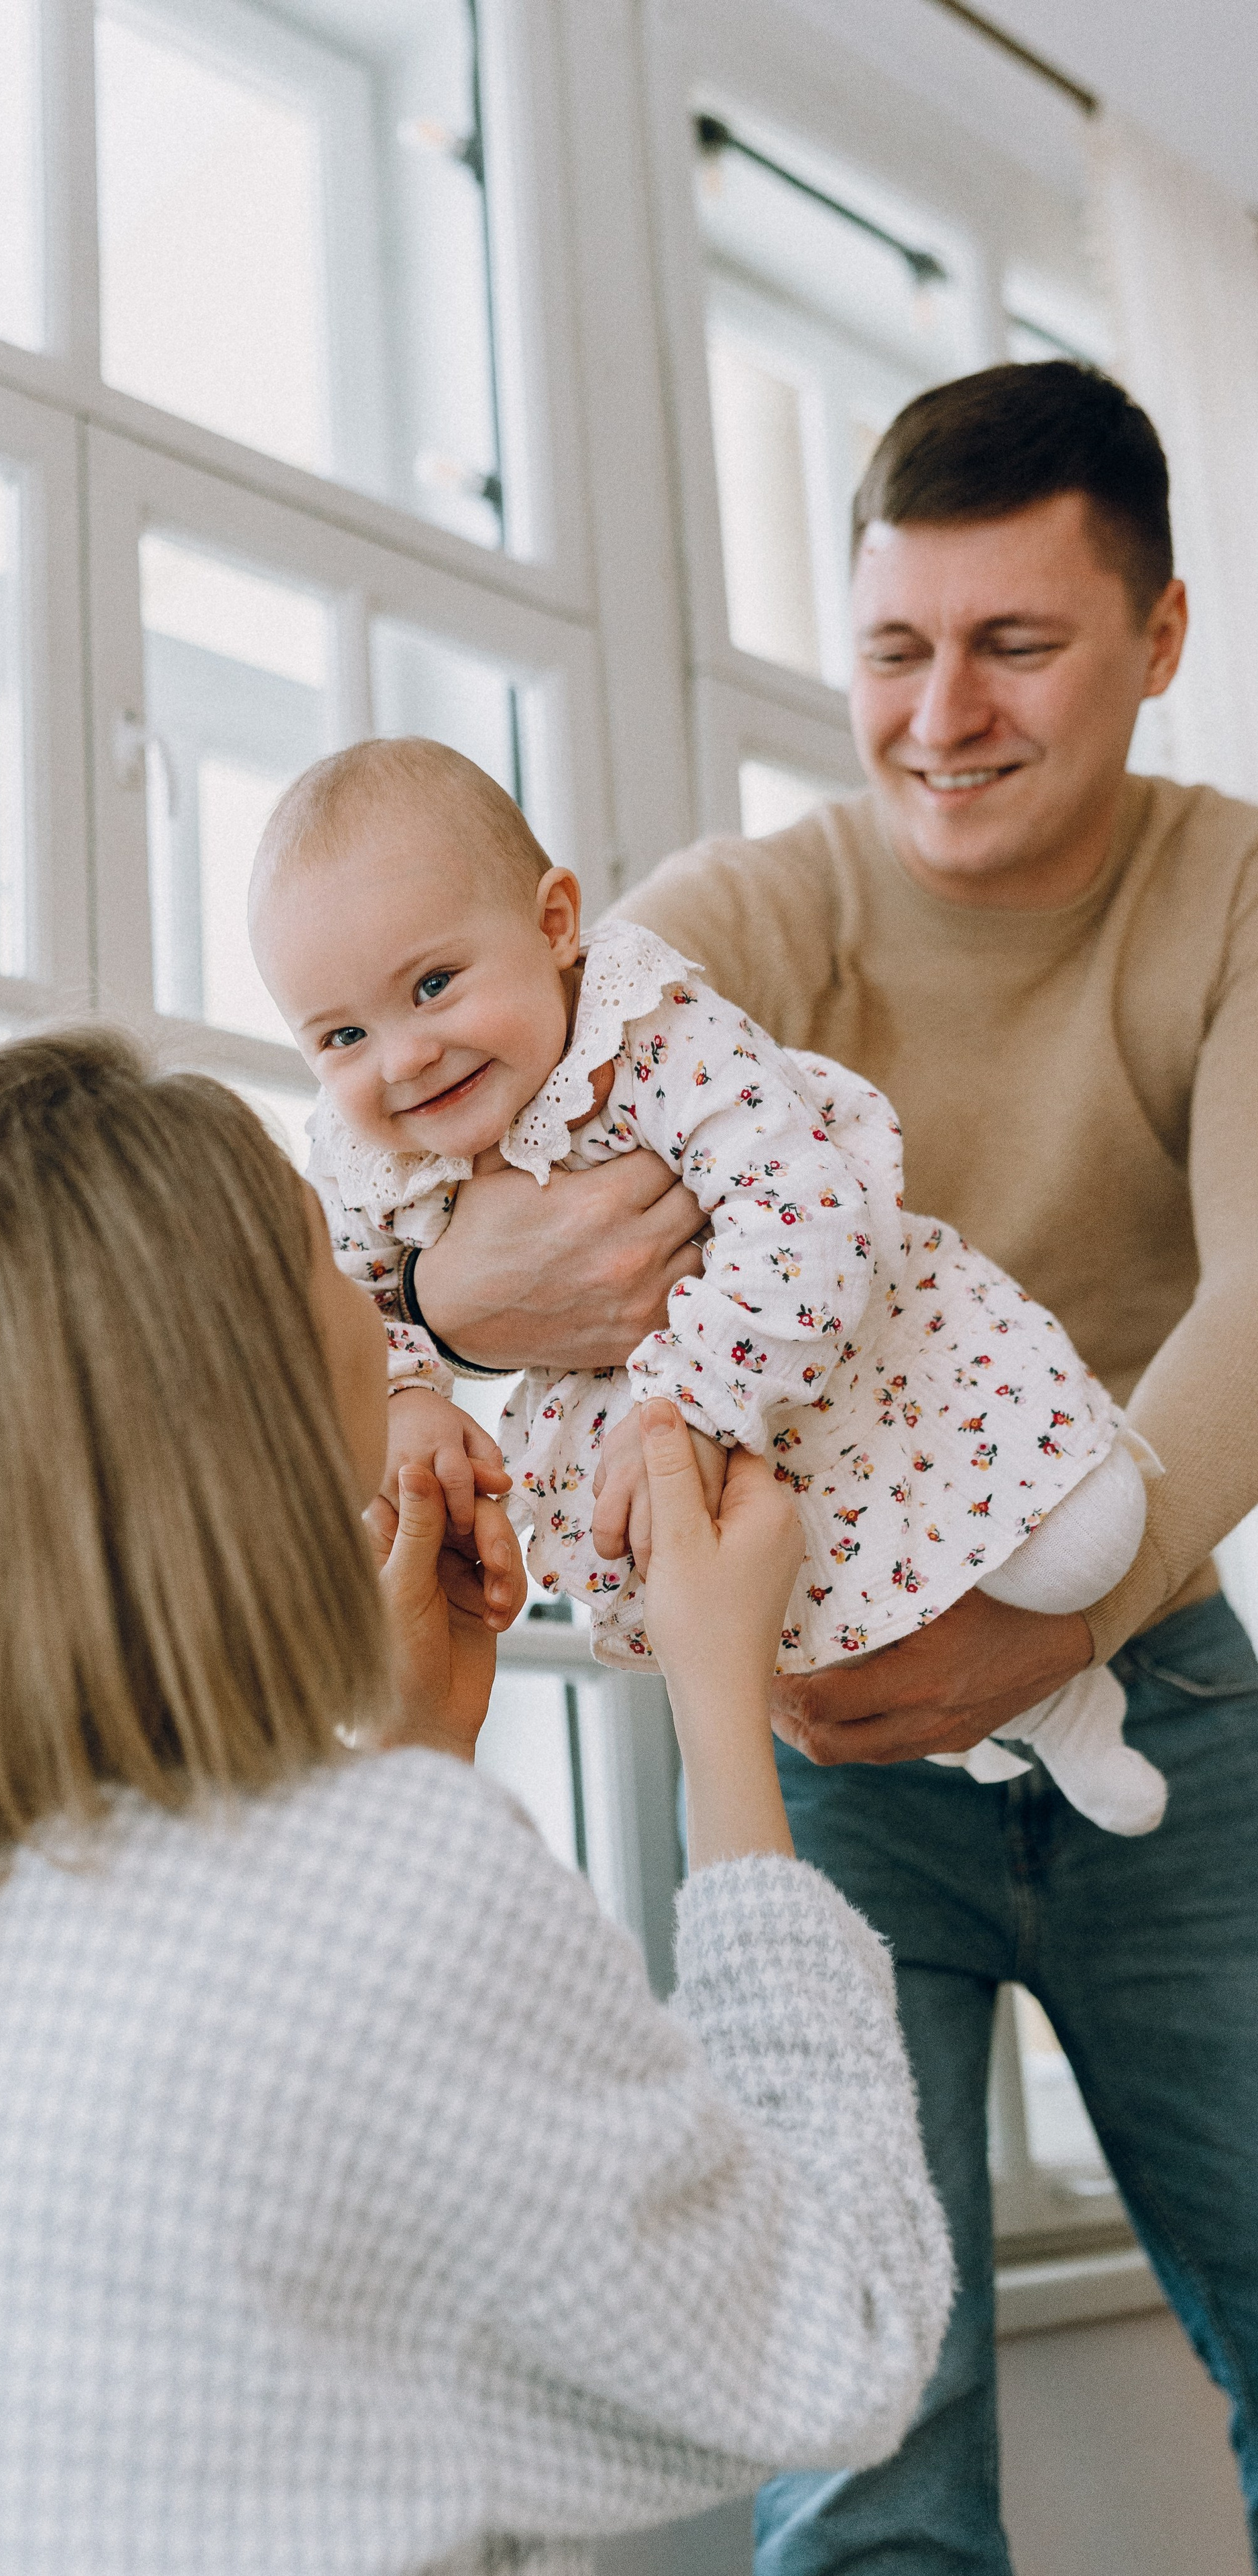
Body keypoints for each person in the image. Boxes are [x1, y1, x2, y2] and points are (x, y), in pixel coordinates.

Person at [0, 1026, 950, 2576]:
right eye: (328, 1252)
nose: (379, 1316)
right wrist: (718, 1707)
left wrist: (399, 1753)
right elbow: (837, 2338)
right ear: (240, 1400)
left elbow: (273, 2304)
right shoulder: (382, 1887)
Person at [399, 360, 1258, 2571]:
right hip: (837, 1728)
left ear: (1161, 637)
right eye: (893, 649)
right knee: (867, 2429)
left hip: (1152, 1675)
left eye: (1016, 645)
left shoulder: (1236, 895)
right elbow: (490, 1169)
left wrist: (1065, 1621)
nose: (940, 715)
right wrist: (436, 1301)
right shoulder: (750, 916)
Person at [249, 735, 1162, 1835]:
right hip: (675, 1454)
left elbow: (803, 1204)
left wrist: (698, 1399)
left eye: (434, 986)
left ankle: (1063, 1690)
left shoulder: (656, 1034)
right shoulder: (364, 1158)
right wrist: (404, 1395)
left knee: (1084, 1546)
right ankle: (1035, 1721)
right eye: (343, 1035)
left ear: (554, 925)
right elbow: (342, 1303)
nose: (402, 1059)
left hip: (841, 1352)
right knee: (786, 1633)